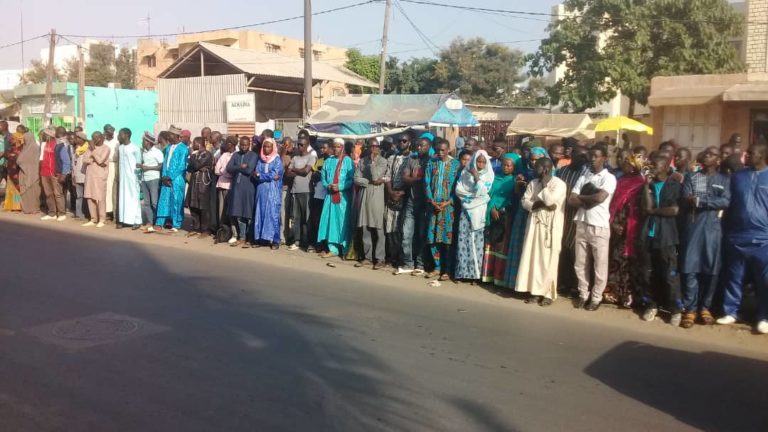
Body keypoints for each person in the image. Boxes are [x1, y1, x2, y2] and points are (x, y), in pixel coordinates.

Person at [718, 142, 768, 333]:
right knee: (734, 276)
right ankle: (731, 311)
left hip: (763, 238)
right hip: (737, 236)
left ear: (762, 155)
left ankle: (764, 316)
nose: (746, 155)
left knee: (763, 280)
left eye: (752, 153)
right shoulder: (738, 176)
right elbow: (728, 202)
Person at [679, 147, 730, 328]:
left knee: (711, 269)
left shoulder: (724, 179)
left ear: (718, 160)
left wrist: (703, 201)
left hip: (713, 230)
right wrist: (704, 202)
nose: (707, 156)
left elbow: (725, 201)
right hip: (694, 228)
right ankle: (690, 309)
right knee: (690, 268)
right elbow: (688, 199)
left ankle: (705, 307)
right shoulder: (693, 177)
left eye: (712, 154)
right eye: (706, 153)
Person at [568, 144, 617, 311]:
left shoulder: (609, 178)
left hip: (599, 225)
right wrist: (587, 199)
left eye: (596, 156)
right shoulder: (584, 176)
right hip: (582, 223)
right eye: (591, 156)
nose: (592, 159)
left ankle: (596, 297)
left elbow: (601, 197)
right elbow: (571, 200)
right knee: (580, 263)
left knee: (599, 264)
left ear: (604, 158)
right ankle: (583, 294)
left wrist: (582, 198)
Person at [636, 155, 683, 325]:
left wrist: (654, 211)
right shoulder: (648, 186)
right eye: (650, 164)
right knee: (647, 273)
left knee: (670, 275)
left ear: (665, 167)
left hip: (667, 237)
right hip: (648, 235)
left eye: (654, 165)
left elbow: (674, 210)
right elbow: (645, 208)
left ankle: (675, 309)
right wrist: (647, 186)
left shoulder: (674, 185)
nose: (651, 167)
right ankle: (651, 305)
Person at [515, 157, 567, 305]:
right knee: (533, 258)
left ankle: (548, 294)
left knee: (548, 260)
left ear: (545, 169)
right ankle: (535, 292)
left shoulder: (559, 184)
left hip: (551, 227)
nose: (533, 169)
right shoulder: (532, 183)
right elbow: (525, 202)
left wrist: (544, 185)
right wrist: (538, 204)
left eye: (536, 167)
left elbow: (550, 201)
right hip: (534, 223)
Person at [501, 146, 548, 290]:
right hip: (522, 213)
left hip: (539, 215)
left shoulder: (551, 178)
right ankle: (515, 282)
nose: (534, 163)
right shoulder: (526, 173)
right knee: (519, 246)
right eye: (532, 160)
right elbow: (518, 196)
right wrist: (519, 185)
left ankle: (533, 286)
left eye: (537, 160)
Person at [603, 153, 645, 308]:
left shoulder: (641, 182)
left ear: (635, 166)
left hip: (631, 226)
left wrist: (626, 225)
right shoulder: (621, 180)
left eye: (628, 163)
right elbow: (614, 202)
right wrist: (613, 222)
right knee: (614, 258)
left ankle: (627, 295)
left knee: (627, 261)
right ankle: (612, 293)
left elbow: (637, 207)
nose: (624, 165)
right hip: (615, 223)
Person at [454, 150, 494, 282]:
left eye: (483, 162)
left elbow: (484, 192)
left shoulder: (489, 175)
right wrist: (474, 196)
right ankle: (463, 272)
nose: (481, 164)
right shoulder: (465, 173)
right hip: (466, 212)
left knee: (476, 242)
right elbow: (459, 190)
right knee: (463, 241)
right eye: (478, 161)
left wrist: (476, 176)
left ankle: (475, 274)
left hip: (479, 213)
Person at [424, 139, 461, 281]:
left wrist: (448, 202)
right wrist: (431, 200)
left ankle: (447, 269)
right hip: (433, 206)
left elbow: (458, 187)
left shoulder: (455, 165)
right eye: (438, 150)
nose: (440, 153)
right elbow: (426, 182)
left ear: (448, 150)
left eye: (443, 150)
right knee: (433, 238)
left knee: (447, 239)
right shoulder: (431, 163)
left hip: (448, 208)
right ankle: (436, 267)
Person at [556, 145, 591, 295]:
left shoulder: (588, 174)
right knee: (561, 250)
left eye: (585, 156)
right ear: (572, 156)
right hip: (561, 214)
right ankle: (562, 282)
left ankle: (575, 285)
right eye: (579, 156)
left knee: (576, 253)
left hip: (579, 217)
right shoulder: (561, 171)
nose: (582, 159)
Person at [396, 134, 432, 275]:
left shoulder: (431, 161)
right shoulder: (412, 159)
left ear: (428, 147)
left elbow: (427, 182)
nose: (418, 147)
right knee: (407, 234)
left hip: (425, 203)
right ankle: (408, 263)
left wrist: (414, 178)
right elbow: (405, 178)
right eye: (417, 145)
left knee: (422, 235)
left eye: (422, 145)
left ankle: (420, 264)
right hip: (411, 201)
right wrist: (418, 179)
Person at [353, 137, 389, 269]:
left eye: (376, 146)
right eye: (371, 146)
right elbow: (356, 178)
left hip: (377, 198)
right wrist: (367, 182)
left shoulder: (383, 161)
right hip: (365, 197)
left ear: (379, 147)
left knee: (379, 229)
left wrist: (373, 163)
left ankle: (380, 258)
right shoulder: (362, 161)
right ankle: (367, 257)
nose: (374, 149)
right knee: (365, 228)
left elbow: (376, 176)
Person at [481, 156, 517, 286]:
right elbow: (489, 194)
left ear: (514, 167)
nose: (506, 168)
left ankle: (499, 278)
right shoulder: (494, 178)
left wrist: (500, 208)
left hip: (505, 216)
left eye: (509, 166)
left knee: (501, 245)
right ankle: (487, 276)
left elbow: (511, 198)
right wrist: (492, 208)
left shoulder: (514, 180)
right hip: (491, 214)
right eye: (504, 165)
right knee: (490, 244)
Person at [317, 138, 355, 258]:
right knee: (330, 222)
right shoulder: (328, 161)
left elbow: (352, 179)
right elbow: (323, 176)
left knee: (343, 222)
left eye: (338, 146)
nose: (336, 149)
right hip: (329, 196)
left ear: (342, 148)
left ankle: (344, 249)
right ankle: (332, 249)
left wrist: (340, 186)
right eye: (334, 146)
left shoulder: (348, 161)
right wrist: (327, 185)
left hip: (343, 198)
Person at [385, 134, 412, 268]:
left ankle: (402, 258)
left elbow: (413, 179)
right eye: (399, 141)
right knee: (390, 228)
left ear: (409, 142)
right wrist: (391, 192)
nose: (401, 143)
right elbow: (387, 176)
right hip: (392, 194)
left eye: (404, 141)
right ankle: (391, 256)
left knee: (402, 229)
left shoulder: (413, 159)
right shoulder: (392, 158)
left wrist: (402, 193)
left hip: (406, 196)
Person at [155, 126, 189, 233]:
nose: (169, 137)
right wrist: (164, 176)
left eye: (170, 135)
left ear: (177, 136)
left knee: (176, 201)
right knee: (164, 200)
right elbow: (165, 163)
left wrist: (170, 177)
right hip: (166, 178)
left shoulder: (183, 148)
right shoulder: (169, 147)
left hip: (177, 179)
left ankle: (176, 223)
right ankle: (160, 222)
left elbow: (181, 166)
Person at [227, 136, 259, 247]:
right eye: (242, 145)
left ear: (249, 144)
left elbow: (249, 170)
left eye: (246, 145)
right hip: (237, 187)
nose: (244, 147)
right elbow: (229, 168)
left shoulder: (253, 155)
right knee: (238, 213)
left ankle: (250, 238)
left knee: (248, 213)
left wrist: (237, 167)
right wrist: (240, 166)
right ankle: (242, 236)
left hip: (248, 187)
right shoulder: (236, 155)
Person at [286, 137, 317, 251]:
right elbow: (288, 174)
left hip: (307, 191)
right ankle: (297, 241)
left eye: (302, 145)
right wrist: (298, 170)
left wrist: (294, 169)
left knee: (307, 218)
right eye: (298, 144)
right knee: (296, 218)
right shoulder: (295, 158)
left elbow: (306, 172)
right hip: (295, 191)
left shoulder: (311, 157)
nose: (300, 147)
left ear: (307, 145)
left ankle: (309, 242)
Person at [253, 138, 284, 249]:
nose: (266, 149)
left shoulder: (277, 160)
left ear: (273, 147)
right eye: (264, 146)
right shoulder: (260, 160)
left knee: (272, 214)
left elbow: (275, 174)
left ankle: (275, 240)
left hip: (272, 191)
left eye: (269, 146)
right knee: (260, 213)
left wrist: (260, 176)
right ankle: (261, 239)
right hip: (261, 190)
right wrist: (261, 176)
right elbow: (256, 173)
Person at [39, 127, 70, 221]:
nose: (43, 136)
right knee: (48, 194)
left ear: (49, 136)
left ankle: (61, 213)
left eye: (44, 134)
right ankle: (52, 213)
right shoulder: (44, 145)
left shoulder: (59, 145)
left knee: (58, 194)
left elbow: (66, 161)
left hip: (55, 173)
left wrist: (64, 174)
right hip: (45, 173)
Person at [186, 137, 214, 237]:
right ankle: (196, 227)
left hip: (203, 182)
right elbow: (189, 167)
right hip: (194, 182)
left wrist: (193, 160)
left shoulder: (207, 154)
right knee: (193, 205)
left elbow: (197, 165)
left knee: (203, 206)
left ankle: (205, 229)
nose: (192, 145)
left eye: (193, 143)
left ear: (198, 144)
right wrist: (195, 163)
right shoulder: (195, 155)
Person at [82, 132, 111, 228]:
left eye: (95, 138)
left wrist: (93, 151)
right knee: (90, 196)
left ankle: (102, 219)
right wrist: (93, 159)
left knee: (100, 197)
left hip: (100, 176)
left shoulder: (106, 148)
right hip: (90, 175)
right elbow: (85, 159)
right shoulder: (90, 148)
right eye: (92, 138)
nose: (93, 140)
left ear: (101, 138)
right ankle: (93, 218)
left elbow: (100, 160)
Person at [116, 128, 142, 229]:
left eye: (120, 134)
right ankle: (123, 220)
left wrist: (138, 179)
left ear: (126, 135)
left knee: (134, 198)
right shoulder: (121, 147)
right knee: (123, 198)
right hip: (123, 178)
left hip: (133, 177)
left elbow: (138, 164)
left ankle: (137, 221)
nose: (119, 136)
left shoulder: (135, 148)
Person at [309, 140, 331, 252]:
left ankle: (326, 245)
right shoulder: (320, 160)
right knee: (316, 221)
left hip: (328, 196)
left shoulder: (332, 161)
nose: (322, 150)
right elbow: (314, 175)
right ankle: (317, 243)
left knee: (326, 221)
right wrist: (317, 174)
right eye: (321, 148)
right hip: (318, 195)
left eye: (325, 148)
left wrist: (320, 174)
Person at [139, 132, 163, 231]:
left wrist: (147, 168)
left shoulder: (157, 152)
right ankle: (149, 222)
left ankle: (158, 222)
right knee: (147, 203)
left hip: (154, 179)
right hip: (145, 179)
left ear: (148, 142)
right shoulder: (144, 152)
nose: (142, 142)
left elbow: (161, 166)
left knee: (154, 202)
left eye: (143, 141)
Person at [214, 136, 235, 241]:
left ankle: (232, 232)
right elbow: (217, 170)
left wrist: (224, 171)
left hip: (231, 187)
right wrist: (224, 171)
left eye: (227, 143)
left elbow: (231, 172)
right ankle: (222, 232)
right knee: (221, 211)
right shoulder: (224, 155)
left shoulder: (236, 155)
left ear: (230, 144)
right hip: (221, 185)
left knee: (229, 211)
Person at [280, 136, 296, 246]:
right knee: (283, 214)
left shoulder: (295, 155)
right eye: (285, 145)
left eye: (289, 145)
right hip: (284, 187)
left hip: (295, 188)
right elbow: (280, 167)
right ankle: (283, 237)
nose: (287, 147)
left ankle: (293, 237)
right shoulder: (281, 155)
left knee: (293, 215)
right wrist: (283, 152)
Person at [3, 132, 24, 211]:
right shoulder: (11, 148)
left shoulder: (21, 149)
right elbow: (6, 154)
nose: (11, 140)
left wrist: (12, 155)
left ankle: (17, 206)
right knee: (11, 189)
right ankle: (11, 205)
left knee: (16, 189)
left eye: (13, 138)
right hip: (10, 170)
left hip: (17, 171)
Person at [103, 124, 119, 219]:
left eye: (112, 130)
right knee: (107, 188)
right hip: (106, 165)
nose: (111, 131)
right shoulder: (104, 141)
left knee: (114, 189)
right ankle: (108, 211)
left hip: (115, 164)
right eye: (108, 130)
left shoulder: (117, 140)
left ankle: (115, 211)